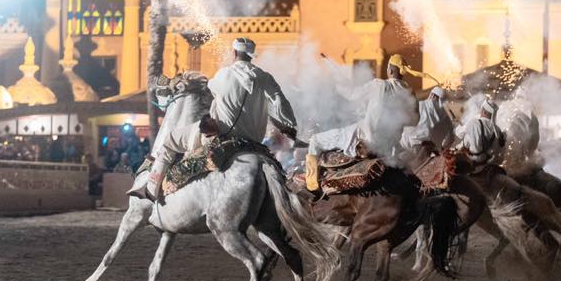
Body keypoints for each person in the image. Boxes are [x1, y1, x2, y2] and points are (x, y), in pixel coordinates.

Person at [134, 37, 298, 202]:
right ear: (251, 55)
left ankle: (151, 190)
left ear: (234, 53)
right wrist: (289, 126)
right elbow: (280, 102)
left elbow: (208, 91)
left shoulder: (223, 74)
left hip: (222, 136)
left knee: (170, 140)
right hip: (254, 141)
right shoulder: (265, 78)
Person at [306, 54, 419, 192]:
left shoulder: (379, 84)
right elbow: (415, 121)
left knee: (315, 140)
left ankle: (312, 187)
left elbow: (352, 94)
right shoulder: (409, 92)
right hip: (391, 147)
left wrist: (336, 81)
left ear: (390, 70)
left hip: (366, 139)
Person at [401, 86, 455, 152]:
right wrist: (443, 148)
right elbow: (451, 137)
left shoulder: (420, 105)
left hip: (410, 145)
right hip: (431, 150)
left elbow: (404, 120)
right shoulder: (446, 118)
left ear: (432, 95)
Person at [460, 98, 505, 167]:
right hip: (486, 161)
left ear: (484, 112)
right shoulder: (497, 129)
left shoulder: (474, 123)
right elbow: (496, 149)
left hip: (471, 160)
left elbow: (463, 141)